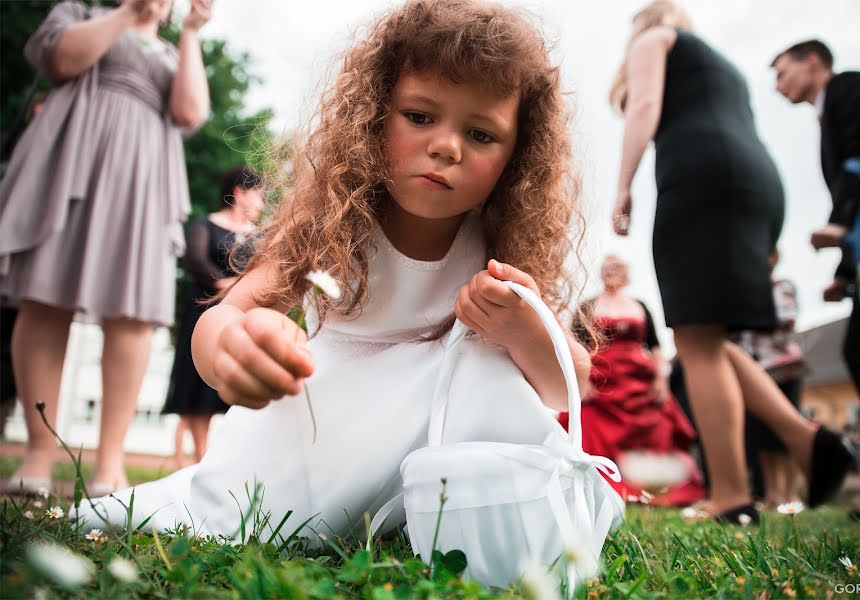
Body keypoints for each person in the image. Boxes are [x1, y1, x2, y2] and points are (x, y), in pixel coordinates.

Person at [74, 0, 608, 540]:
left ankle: (469, 523)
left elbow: (571, 386)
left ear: (516, 158)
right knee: (238, 513)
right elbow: (225, 316)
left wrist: (524, 330)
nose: (446, 146)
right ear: (374, 117)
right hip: (319, 436)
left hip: (428, 459)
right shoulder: (335, 224)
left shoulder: (496, 252)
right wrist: (232, 349)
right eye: (420, 117)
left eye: (481, 135)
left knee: (484, 363)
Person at [608, 0, 852, 522]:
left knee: (694, 339)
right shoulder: (725, 69)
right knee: (710, 339)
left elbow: (645, 105)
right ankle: (807, 441)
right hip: (757, 187)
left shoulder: (657, 41)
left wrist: (623, 186)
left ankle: (732, 495)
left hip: (701, 181)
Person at [0, 0, 212, 497]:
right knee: (45, 300)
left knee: (133, 314)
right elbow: (62, 60)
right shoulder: (81, 12)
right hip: (68, 164)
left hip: (140, 182)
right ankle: (38, 455)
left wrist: (192, 33)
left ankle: (109, 466)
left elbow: (189, 111)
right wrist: (126, 13)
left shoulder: (171, 49)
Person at [771, 40, 860, 478]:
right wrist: (845, 272)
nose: (777, 85)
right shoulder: (828, 115)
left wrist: (840, 222)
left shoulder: (852, 88)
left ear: (812, 61)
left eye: (782, 72)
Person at [561, 255, 705, 506]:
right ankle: (598, 481)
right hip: (600, 379)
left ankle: (652, 485)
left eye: (616, 267)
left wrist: (661, 380)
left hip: (639, 381)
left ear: (627, 273)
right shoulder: (587, 306)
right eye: (606, 268)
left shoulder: (640, 305)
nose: (610, 272)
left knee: (658, 427)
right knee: (590, 425)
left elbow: (655, 346)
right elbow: (573, 345)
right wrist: (581, 381)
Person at [162, 166, 263, 468]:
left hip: (242, 318)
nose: (262, 202)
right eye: (259, 194)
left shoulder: (261, 235)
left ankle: (223, 461)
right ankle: (200, 458)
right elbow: (196, 260)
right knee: (196, 387)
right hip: (202, 313)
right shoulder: (205, 225)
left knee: (231, 387)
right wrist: (233, 284)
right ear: (240, 193)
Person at [734, 250, 805, 508]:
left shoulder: (782, 287)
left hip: (783, 368)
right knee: (760, 435)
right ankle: (772, 494)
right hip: (754, 370)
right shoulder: (744, 291)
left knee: (785, 431)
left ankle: (791, 494)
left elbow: (784, 320)